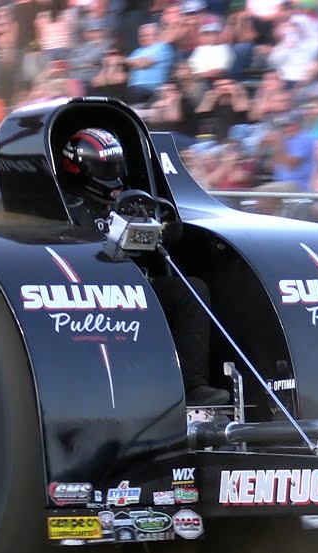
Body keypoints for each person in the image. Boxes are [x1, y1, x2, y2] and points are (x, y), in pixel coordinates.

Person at [60, 128, 230, 406]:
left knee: (192, 290)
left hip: (138, 286)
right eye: (104, 168)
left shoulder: (132, 201)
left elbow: (154, 246)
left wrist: (164, 231)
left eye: (115, 167)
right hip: (91, 295)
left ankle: (193, 386)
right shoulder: (66, 207)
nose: (113, 176)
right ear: (80, 168)